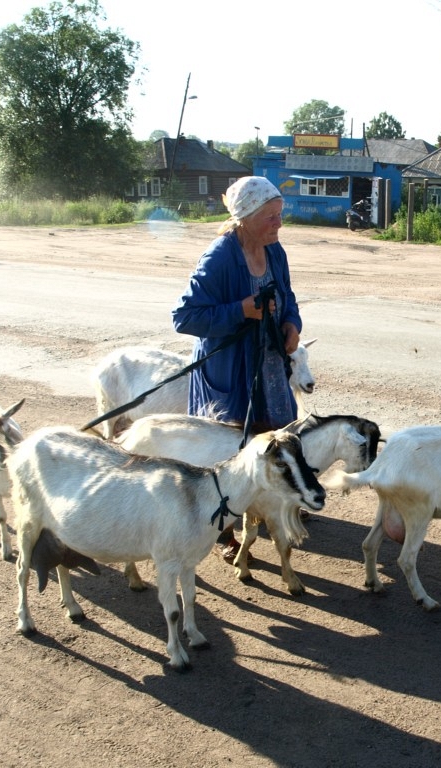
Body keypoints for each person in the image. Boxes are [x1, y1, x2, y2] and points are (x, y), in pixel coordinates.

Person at [172, 175, 303, 562]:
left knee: (273, 437)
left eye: (280, 215)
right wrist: (241, 310)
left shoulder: (274, 250)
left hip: (269, 364)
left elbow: (288, 297)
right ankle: (222, 531)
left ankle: (271, 504)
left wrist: (292, 324)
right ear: (245, 217)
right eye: (271, 217)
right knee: (227, 451)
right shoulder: (220, 257)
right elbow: (185, 317)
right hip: (231, 370)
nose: (279, 223)